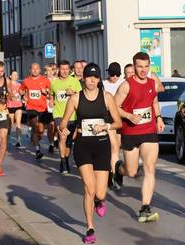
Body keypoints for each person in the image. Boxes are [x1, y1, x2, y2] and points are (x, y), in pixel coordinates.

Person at [59, 63, 121, 243]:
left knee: (100, 193)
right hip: (83, 147)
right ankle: (90, 228)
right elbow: (63, 122)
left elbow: (118, 123)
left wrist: (106, 126)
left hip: (102, 147)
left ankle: (100, 201)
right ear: (83, 79)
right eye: (89, 77)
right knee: (89, 188)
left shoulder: (107, 97)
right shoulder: (75, 99)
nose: (92, 80)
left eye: (95, 77)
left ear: (99, 79)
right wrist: (63, 129)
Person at [113, 52, 165, 222]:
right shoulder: (126, 85)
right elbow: (114, 107)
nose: (143, 70)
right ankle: (120, 170)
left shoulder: (152, 83)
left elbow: (154, 102)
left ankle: (145, 207)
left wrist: (158, 117)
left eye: (146, 66)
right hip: (131, 132)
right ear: (134, 67)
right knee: (132, 171)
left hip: (149, 130)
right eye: (140, 67)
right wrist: (128, 116)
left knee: (150, 168)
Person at [50, 60, 82, 174]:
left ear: (70, 70)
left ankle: (66, 158)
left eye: (66, 69)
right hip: (59, 114)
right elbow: (51, 95)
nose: (64, 71)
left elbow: (81, 98)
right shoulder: (54, 83)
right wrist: (50, 102)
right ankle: (63, 162)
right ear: (59, 69)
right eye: (62, 69)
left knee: (69, 140)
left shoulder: (75, 82)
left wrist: (73, 93)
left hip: (72, 116)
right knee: (62, 137)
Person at [19, 63, 50, 159]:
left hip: (43, 108)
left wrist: (46, 92)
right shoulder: (26, 81)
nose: (35, 70)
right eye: (33, 69)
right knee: (35, 126)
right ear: (30, 70)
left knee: (40, 130)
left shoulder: (45, 80)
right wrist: (22, 94)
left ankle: (35, 135)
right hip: (31, 107)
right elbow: (21, 90)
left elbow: (51, 92)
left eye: (37, 69)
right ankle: (37, 150)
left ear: (40, 70)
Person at [102, 62, 125, 175]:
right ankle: (113, 171)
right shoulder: (103, 84)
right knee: (113, 145)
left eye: (117, 75)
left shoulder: (123, 83)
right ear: (108, 74)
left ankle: (112, 165)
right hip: (107, 118)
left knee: (117, 144)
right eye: (112, 75)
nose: (115, 77)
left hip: (120, 118)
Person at [7, 70, 23, 147]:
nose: (15, 76)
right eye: (14, 75)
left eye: (16, 75)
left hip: (18, 105)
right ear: (10, 76)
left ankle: (19, 140)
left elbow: (22, 93)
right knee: (10, 123)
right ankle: (8, 137)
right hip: (10, 106)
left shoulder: (20, 85)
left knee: (18, 122)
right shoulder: (8, 84)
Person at [44, 64, 58, 152]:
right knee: (50, 126)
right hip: (47, 105)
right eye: (48, 70)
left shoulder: (58, 80)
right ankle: (51, 144)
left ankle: (56, 138)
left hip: (58, 105)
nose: (50, 72)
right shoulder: (43, 80)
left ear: (54, 71)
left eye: (51, 70)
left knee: (57, 125)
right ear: (45, 72)